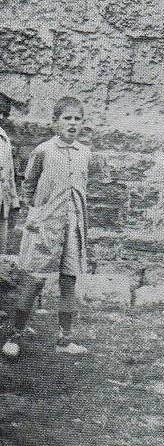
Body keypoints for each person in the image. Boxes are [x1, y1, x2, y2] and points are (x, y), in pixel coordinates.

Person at [8, 96, 91, 356]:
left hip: (73, 226)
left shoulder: (85, 153)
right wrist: (36, 217)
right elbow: (28, 186)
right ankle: (16, 335)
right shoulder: (43, 150)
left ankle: (64, 340)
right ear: (55, 122)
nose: (72, 124)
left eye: (77, 119)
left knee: (69, 280)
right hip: (45, 226)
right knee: (33, 280)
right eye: (67, 118)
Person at [0, 92, 25, 255]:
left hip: (2, 200)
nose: (1, 117)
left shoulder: (4, 137)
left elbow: (9, 173)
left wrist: (14, 201)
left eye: (5, 114)